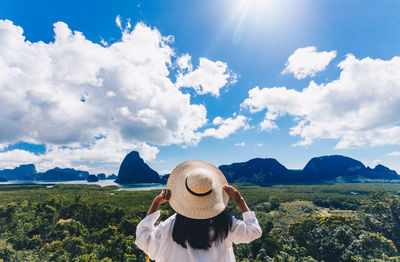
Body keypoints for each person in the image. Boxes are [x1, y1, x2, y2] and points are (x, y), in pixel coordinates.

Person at [135, 160, 262, 262]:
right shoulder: (225, 223)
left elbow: (143, 238)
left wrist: (156, 202)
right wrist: (240, 200)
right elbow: (254, 231)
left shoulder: (170, 225)